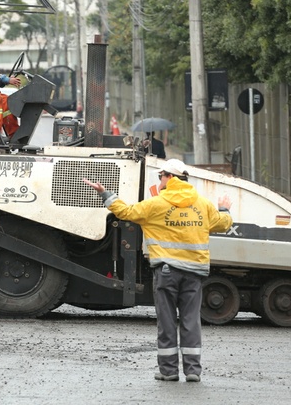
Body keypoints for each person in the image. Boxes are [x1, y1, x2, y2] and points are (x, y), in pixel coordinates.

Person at [82, 159, 232, 383]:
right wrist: (225, 208)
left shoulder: (156, 204)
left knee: (167, 321)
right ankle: (193, 371)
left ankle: (169, 371)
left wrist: (105, 194)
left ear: (169, 177)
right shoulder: (202, 204)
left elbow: (125, 212)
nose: (160, 180)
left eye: (161, 176)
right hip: (194, 272)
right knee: (191, 321)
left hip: (167, 272)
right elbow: (223, 223)